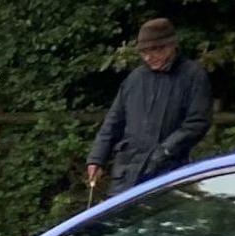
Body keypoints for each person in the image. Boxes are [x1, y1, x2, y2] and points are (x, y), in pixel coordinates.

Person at [87, 18, 212, 194]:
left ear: (171, 46)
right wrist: (97, 159)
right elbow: (113, 122)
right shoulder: (134, 79)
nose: (148, 57)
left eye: (154, 51)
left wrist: (165, 150)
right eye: (143, 52)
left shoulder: (193, 76)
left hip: (169, 173)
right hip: (126, 174)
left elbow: (197, 122)